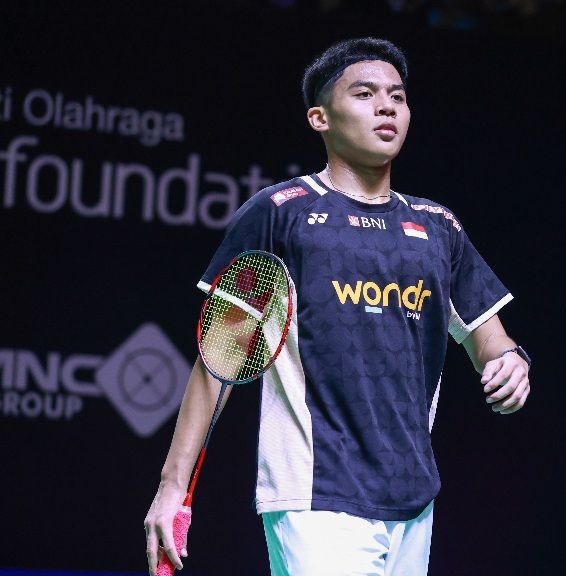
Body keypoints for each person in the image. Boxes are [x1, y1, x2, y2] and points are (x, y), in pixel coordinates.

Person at [143, 37, 532, 576]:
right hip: (315, 496)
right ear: (320, 118)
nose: (386, 106)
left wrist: (511, 363)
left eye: (397, 96)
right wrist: (172, 487)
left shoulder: (438, 228)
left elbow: (493, 341)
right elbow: (220, 362)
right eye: (365, 94)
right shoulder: (281, 214)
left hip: (414, 500)